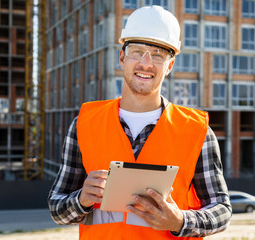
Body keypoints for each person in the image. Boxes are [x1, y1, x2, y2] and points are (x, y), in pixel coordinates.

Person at [48, 5, 232, 240]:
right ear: (122, 57)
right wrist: (81, 199)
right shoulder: (85, 124)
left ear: (170, 66)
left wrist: (180, 221)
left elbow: (222, 210)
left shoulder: (196, 131)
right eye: (137, 51)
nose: (146, 63)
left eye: (158, 54)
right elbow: (57, 208)